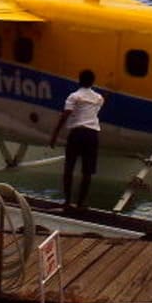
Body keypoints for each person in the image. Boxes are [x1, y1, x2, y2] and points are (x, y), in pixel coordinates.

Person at [50, 69, 104, 209]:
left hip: (77, 133)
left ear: (79, 81)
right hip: (92, 135)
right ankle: (81, 203)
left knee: (69, 168)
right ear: (93, 82)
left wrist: (55, 134)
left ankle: (68, 201)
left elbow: (65, 115)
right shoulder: (99, 98)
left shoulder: (73, 97)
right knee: (87, 171)